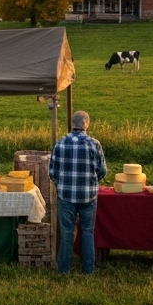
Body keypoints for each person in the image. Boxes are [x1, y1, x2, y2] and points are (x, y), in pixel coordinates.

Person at [49, 110, 107, 274]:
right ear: (86, 123)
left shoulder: (60, 144)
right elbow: (102, 171)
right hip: (88, 196)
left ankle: (64, 269)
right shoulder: (94, 144)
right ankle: (88, 269)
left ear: (72, 124)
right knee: (88, 231)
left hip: (66, 196)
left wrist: (62, 183)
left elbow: (52, 172)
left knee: (66, 233)